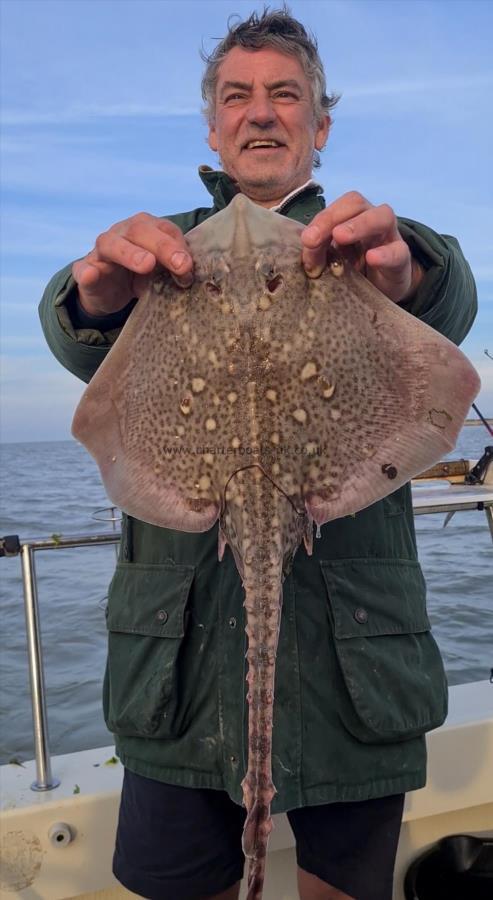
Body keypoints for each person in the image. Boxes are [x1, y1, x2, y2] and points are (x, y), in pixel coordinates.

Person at [39, 7, 477, 900]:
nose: (262, 112)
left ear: (319, 127)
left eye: (286, 95)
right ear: (213, 127)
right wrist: (95, 294)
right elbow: (80, 330)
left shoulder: (364, 242)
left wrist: (404, 273)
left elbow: (440, 297)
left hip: (356, 665)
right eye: (238, 96)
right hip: (179, 674)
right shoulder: (163, 252)